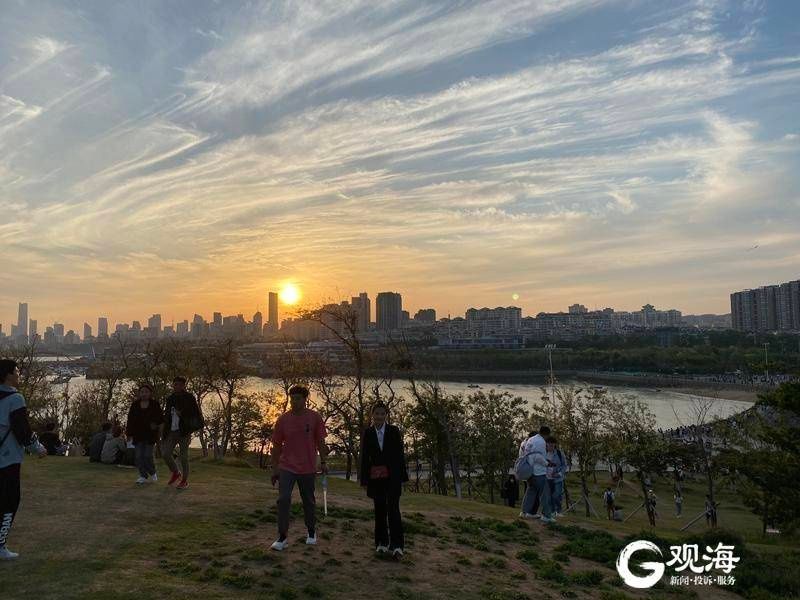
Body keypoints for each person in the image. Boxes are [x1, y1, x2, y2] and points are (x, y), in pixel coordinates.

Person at [270, 385, 327, 552]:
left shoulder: (314, 417)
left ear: (305, 399)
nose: (294, 402)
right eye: (292, 398)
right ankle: (282, 536)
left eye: (298, 398)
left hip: (308, 466)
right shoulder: (283, 419)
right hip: (287, 466)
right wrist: (275, 468)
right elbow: (276, 445)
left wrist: (323, 462)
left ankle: (311, 531)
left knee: (308, 501)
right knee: (283, 499)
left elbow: (321, 441)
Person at [0, 359, 47, 560]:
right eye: (16, 370)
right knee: (9, 501)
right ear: (8, 374)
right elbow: (23, 431)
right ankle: (0, 546)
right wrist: (38, 448)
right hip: (8, 458)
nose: (19, 373)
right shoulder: (15, 399)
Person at [359, 402, 408, 557]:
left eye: (382, 414)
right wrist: (364, 480)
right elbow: (365, 458)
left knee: (394, 510)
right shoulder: (368, 433)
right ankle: (381, 543)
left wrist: (402, 477)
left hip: (392, 477)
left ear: (386, 415)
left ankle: (397, 545)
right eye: (376, 414)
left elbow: (400, 455)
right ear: (372, 415)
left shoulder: (394, 431)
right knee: (379, 510)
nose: (379, 417)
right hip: (376, 478)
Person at [161, 376, 203, 490]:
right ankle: (176, 472)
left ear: (184, 385)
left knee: (183, 456)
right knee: (165, 453)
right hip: (172, 430)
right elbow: (166, 415)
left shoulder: (189, 398)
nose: (177, 386)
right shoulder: (170, 398)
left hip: (184, 431)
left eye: (179, 384)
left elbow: (195, 414)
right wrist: (164, 431)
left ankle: (184, 481)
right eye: (175, 384)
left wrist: (182, 414)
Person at [125, 384, 163, 484]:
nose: (144, 394)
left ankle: (153, 472)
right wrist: (128, 434)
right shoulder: (135, 405)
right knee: (138, 456)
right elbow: (130, 420)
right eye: (142, 392)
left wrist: (156, 425)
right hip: (138, 434)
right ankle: (143, 476)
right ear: (139, 393)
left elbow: (160, 418)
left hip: (150, 434)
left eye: (146, 392)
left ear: (150, 393)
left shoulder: (155, 404)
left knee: (147, 455)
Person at [519, 425, 554, 523]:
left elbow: (531, 454)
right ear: (546, 434)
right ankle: (546, 516)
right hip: (539, 472)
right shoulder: (541, 442)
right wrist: (547, 463)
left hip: (530, 470)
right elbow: (538, 456)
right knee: (545, 494)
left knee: (531, 492)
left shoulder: (531, 440)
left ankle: (524, 512)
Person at [547, 437, 567, 516]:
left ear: (555, 445)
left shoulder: (559, 453)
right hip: (547, 479)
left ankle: (558, 511)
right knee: (549, 496)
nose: (551, 447)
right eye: (549, 445)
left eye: (552, 445)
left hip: (557, 479)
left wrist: (559, 474)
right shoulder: (543, 453)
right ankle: (552, 511)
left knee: (556, 495)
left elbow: (564, 465)